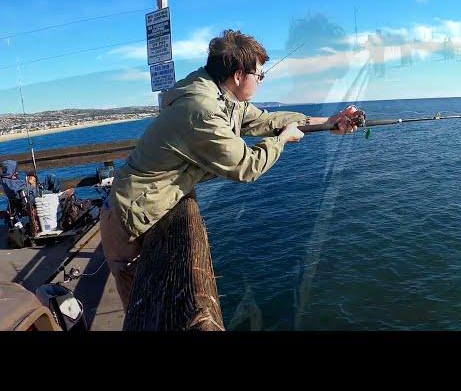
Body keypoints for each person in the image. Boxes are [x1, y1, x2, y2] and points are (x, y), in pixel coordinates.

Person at [100, 29, 360, 311]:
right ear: (239, 75)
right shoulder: (203, 110)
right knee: (141, 308)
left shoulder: (219, 95)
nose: (261, 82)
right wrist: (282, 140)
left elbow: (266, 120)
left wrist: (329, 121)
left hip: (143, 208)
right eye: (259, 75)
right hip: (131, 219)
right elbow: (246, 167)